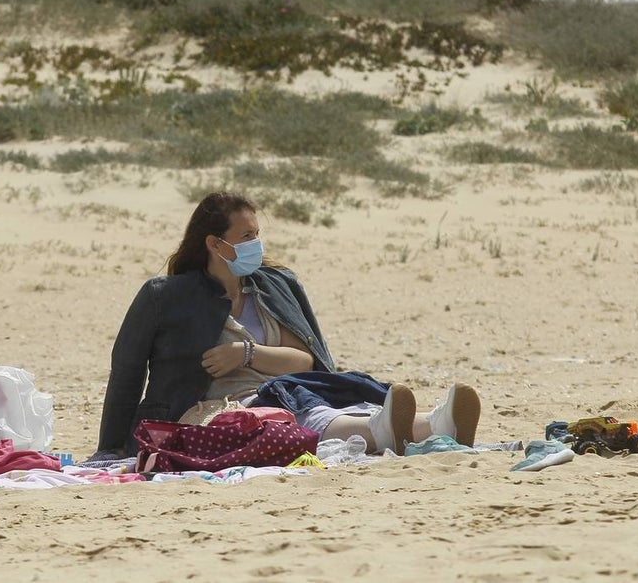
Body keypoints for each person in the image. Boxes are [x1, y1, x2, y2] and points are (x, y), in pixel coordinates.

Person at [94, 192, 481, 460]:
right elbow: (127, 372)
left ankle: (437, 424)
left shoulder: (274, 286)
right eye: (246, 237)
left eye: (257, 235)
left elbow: (303, 361)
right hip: (217, 409)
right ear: (214, 244)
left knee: (324, 402)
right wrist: (110, 446)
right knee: (301, 416)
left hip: (288, 389)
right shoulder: (166, 296)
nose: (256, 244)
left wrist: (245, 353)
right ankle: (396, 430)